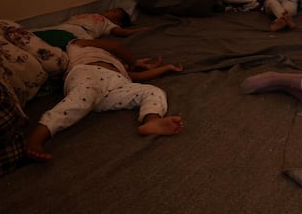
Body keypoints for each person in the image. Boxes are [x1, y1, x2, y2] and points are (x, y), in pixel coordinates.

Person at [24, 38, 184, 161]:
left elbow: (139, 76)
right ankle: (37, 137)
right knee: (78, 100)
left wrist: (166, 68)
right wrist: (133, 61)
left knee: (152, 91)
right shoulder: (77, 44)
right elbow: (115, 46)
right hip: (89, 73)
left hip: (118, 83)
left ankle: (151, 121)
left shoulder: (115, 62)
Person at [32, 7, 147, 49]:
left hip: (82, 31)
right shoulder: (95, 14)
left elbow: (124, 33)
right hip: (66, 25)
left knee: (79, 46)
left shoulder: (108, 23)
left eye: (115, 11)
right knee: (34, 33)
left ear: (118, 22)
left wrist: (145, 29)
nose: (110, 9)